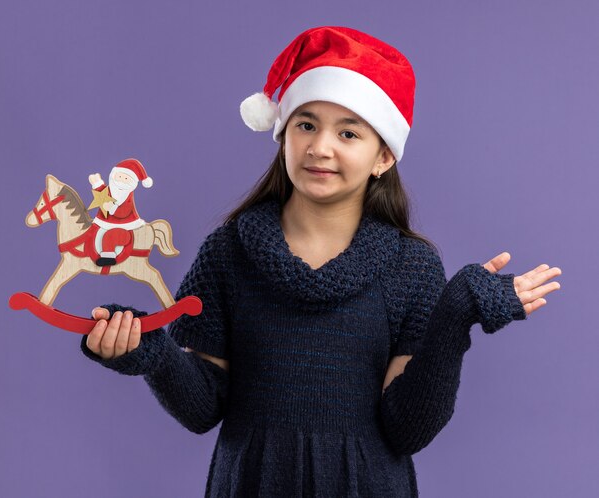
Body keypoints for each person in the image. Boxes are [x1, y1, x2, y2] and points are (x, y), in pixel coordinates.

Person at [79, 26, 562, 497]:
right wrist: (152, 354)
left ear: (383, 157)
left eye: (348, 133)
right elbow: (204, 408)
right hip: (249, 481)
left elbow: (407, 429)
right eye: (306, 124)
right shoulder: (228, 253)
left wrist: (456, 313)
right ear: (283, 134)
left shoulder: (411, 267)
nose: (320, 147)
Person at [88, 158, 153, 266]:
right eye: (120, 177)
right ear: (113, 176)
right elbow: (102, 194)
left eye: (126, 178)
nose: (121, 181)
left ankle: (108, 258)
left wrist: (112, 208)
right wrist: (97, 183)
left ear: (132, 183)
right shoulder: (111, 190)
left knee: (110, 236)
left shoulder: (127, 197)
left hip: (124, 225)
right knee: (92, 232)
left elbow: (124, 212)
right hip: (103, 221)